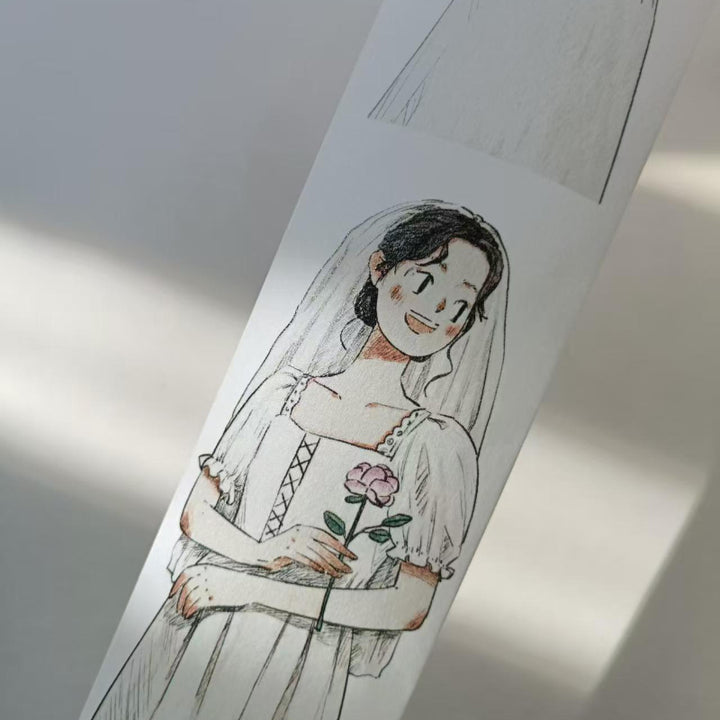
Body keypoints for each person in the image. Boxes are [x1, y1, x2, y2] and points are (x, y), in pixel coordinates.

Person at [92, 200, 509, 720]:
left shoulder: (438, 446)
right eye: (426, 281)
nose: (437, 310)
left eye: (460, 305)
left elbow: (408, 604)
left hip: (295, 664)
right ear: (380, 269)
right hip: (194, 617)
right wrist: (263, 552)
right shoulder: (281, 393)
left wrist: (246, 586)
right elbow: (196, 513)